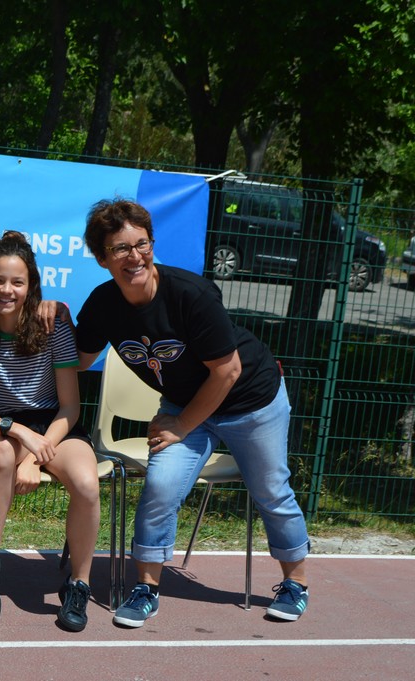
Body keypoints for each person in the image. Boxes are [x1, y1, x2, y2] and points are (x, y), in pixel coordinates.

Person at [75, 199, 311, 629]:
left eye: (141, 244)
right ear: (102, 258)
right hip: (185, 404)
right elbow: (76, 360)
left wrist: (183, 425)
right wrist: (47, 318)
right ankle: (146, 589)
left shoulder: (190, 293)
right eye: (120, 248)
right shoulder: (103, 304)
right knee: (161, 486)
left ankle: (296, 583)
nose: (134, 256)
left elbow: (228, 371)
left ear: (152, 244)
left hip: (251, 400)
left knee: (271, 490)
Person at [0, 231, 100, 632]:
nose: (7, 290)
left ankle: (79, 584)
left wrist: (33, 457)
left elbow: (70, 407)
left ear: (31, 286)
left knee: (87, 484)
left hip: (56, 426)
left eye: (17, 282)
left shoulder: (54, 328)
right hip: (7, 426)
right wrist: (17, 434)